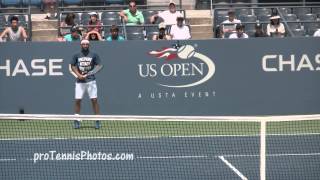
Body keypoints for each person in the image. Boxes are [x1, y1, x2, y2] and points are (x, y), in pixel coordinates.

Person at [70, 39, 103, 129]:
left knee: (94, 100)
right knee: (78, 100)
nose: (85, 45)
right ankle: (76, 120)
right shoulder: (76, 55)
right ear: (81, 45)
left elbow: (99, 65)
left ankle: (97, 121)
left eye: (86, 44)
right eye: (83, 44)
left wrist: (91, 72)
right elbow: (72, 66)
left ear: (89, 45)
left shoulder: (94, 55)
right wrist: (78, 75)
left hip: (91, 81)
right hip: (80, 82)